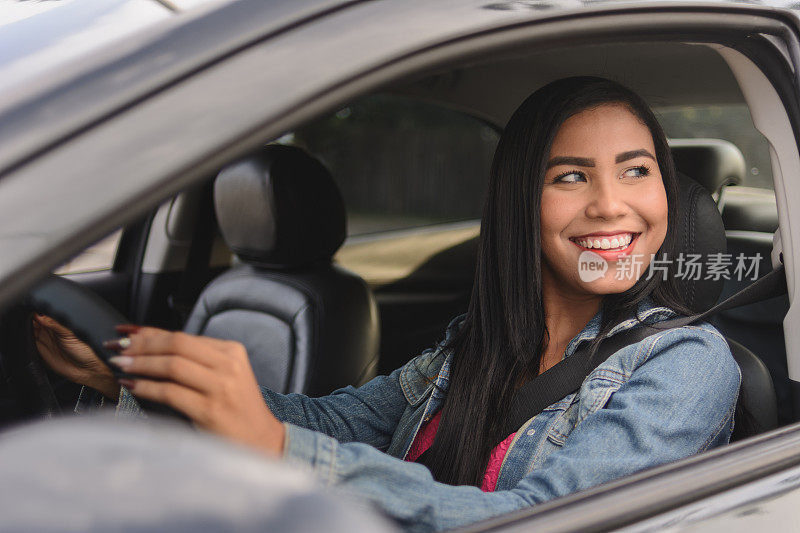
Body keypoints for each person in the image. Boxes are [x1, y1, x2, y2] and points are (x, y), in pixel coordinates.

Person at [33, 76, 741, 532]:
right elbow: (340, 421)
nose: (611, 203)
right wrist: (138, 376)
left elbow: (537, 520)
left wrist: (280, 448)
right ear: (521, 202)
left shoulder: (687, 364)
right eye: (571, 175)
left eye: (636, 170)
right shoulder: (473, 347)